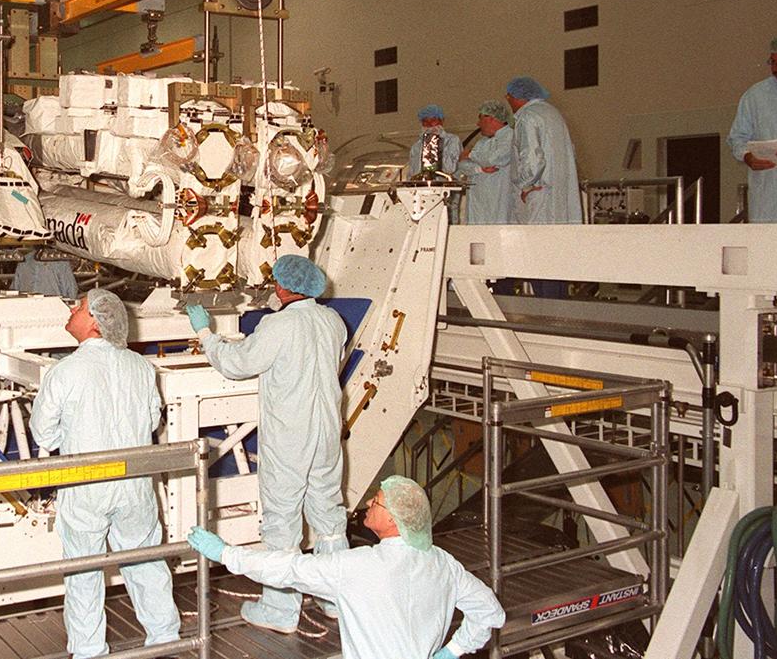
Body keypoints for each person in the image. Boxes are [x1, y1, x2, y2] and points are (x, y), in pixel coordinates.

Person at [185, 253, 348, 632]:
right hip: (325, 432)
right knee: (328, 515)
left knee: (282, 521)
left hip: (290, 435)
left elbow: (236, 363)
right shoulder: (333, 321)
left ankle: (280, 610)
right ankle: (336, 598)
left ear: (281, 286)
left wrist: (205, 334)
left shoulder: (278, 326)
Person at [187, 476, 505, 659]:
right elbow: (491, 612)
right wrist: (452, 651)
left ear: (394, 520)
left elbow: (288, 569)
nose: (368, 503)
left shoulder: (359, 567)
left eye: (377, 502)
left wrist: (226, 553)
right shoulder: (443, 563)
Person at [29, 288, 180, 659]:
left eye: (78, 306)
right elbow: (150, 421)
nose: (71, 309)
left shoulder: (63, 372)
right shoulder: (141, 367)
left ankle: (89, 651)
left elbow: (43, 435)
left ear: (95, 320)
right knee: (147, 562)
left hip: (86, 485)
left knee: (83, 572)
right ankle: (166, 640)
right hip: (135, 485)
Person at [504, 76, 581, 224]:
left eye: (509, 96)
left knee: (538, 242)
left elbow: (533, 160)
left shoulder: (527, 117)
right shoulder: (553, 113)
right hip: (559, 192)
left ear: (517, 96)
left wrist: (525, 186)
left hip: (539, 193)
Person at [726, 37, 777, 222]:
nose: (776, 69)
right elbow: (736, 138)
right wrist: (747, 156)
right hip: (768, 202)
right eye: (773, 62)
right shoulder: (755, 97)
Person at [456, 99, 516, 224]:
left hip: (499, 199)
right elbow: (462, 165)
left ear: (491, 118)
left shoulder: (510, 137)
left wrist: (471, 154)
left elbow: (494, 158)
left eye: (480, 119)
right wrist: (479, 169)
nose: (478, 124)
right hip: (478, 202)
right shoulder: (483, 142)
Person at [408, 104, 462, 177]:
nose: (429, 125)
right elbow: (412, 173)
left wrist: (433, 145)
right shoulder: (416, 147)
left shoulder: (452, 140)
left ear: (441, 121)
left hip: (445, 187)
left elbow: (450, 169)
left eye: (433, 120)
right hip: (421, 187)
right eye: (425, 121)